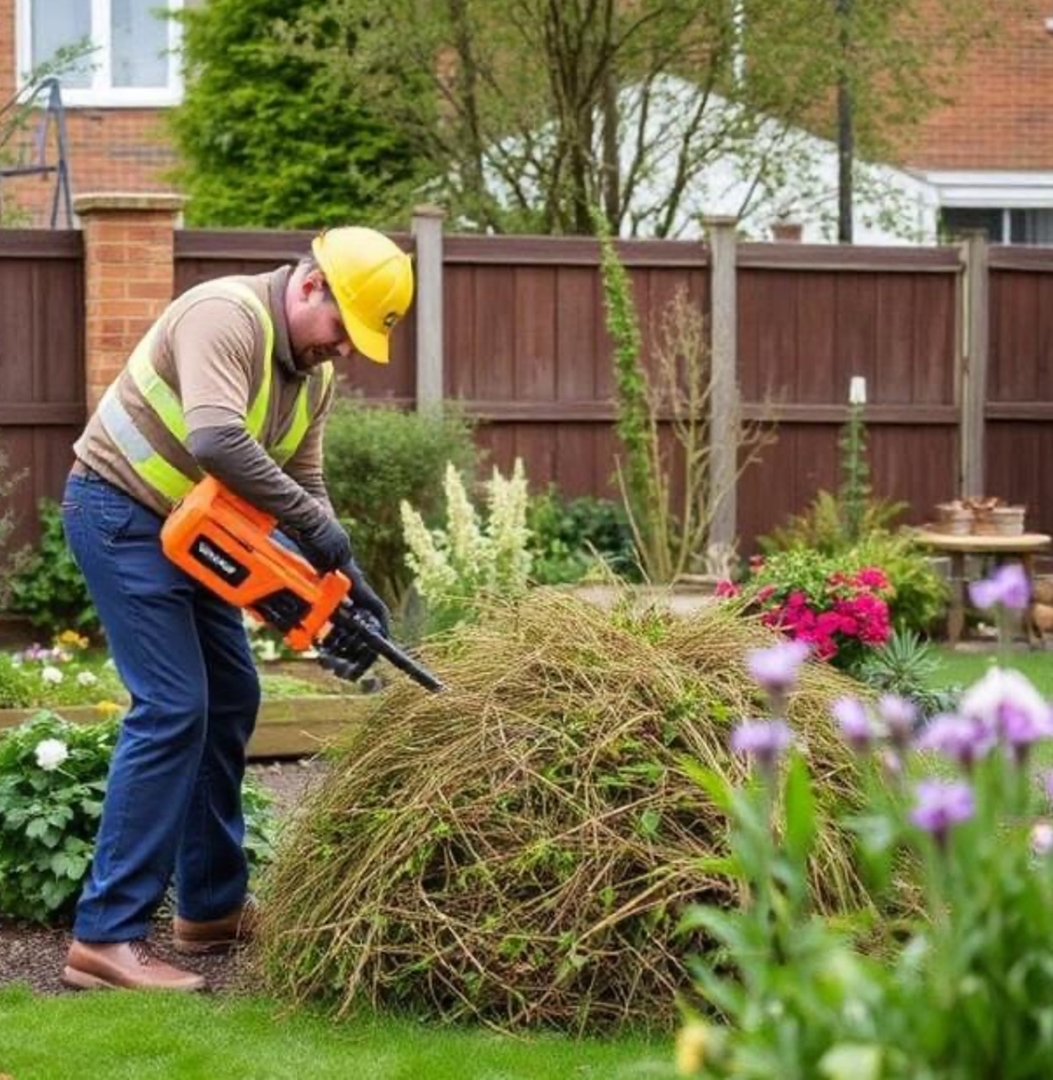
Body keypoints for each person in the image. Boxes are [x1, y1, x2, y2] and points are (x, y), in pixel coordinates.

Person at [59, 227, 414, 991]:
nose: (342, 349)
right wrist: (317, 530)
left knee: (231, 698)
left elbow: (303, 483)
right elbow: (218, 440)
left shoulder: (312, 376)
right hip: (118, 512)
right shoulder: (222, 314)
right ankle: (104, 938)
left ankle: (211, 909)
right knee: (172, 706)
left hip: (195, 532)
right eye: (342, 328)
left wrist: (343, 576)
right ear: (311, 285)